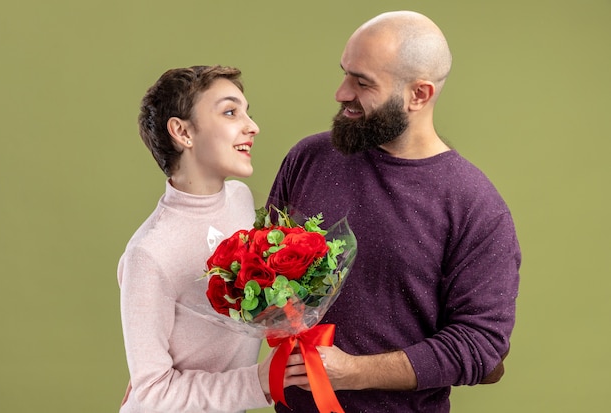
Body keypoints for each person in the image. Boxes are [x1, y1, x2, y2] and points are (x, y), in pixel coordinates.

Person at [267, 11, 521, 412]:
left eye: (362, 82)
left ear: (418, 95)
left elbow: (480, 345)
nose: (341, 92)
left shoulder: (474, 204)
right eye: (345, 74)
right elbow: (262, 274)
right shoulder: (308, 159)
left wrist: (352, 372)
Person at [117, 65, 302, 413]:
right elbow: (153, 391)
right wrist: (257, 381)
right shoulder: (150, 253)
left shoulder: (241, 198)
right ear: (183, 132)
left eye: (247, 111)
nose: (252, 126)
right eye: (231, 112)